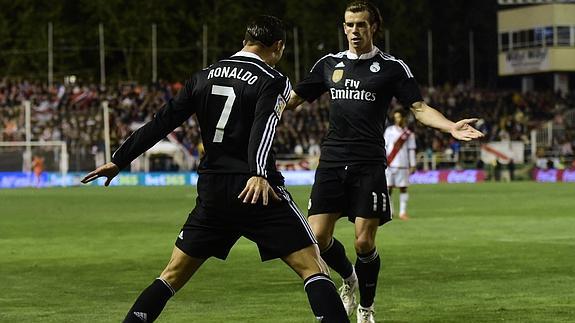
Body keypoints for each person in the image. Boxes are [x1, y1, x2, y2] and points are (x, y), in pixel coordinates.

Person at [82, 15, 349, 323]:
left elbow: (161, 122)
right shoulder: (273, 79)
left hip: (213, 192)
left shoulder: (203, 76)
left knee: (170, 276)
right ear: (277, 47)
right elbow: (263, 128)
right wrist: (259, 172)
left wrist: (119, 159)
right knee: (313, 268)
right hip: (255, 190)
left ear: (244, 41)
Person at [286, 1, 484, 322]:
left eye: (360, 25)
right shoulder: (328, 64)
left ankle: (366, 307)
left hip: (368, 164)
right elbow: (292, 101)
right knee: (318, 239)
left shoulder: (392, 67)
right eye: (349, 25)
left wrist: (450, 126)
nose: (353, 31)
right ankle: (348, 277)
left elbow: (418, 109)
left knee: (364, 241)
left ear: (373, 27)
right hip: (333, 161)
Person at [384, 110, 416, 220]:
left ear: (403, 118)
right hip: (390, 164)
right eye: (396, 117)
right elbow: (384, 146)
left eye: (399, 117)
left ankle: (403, 213)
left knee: (403, 188)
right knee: (388, 189)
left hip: (403, 164)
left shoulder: (408, 134)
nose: (397, 119)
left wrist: (413, 164)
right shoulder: (389, 131)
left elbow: (411, 150)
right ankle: (390, 212)